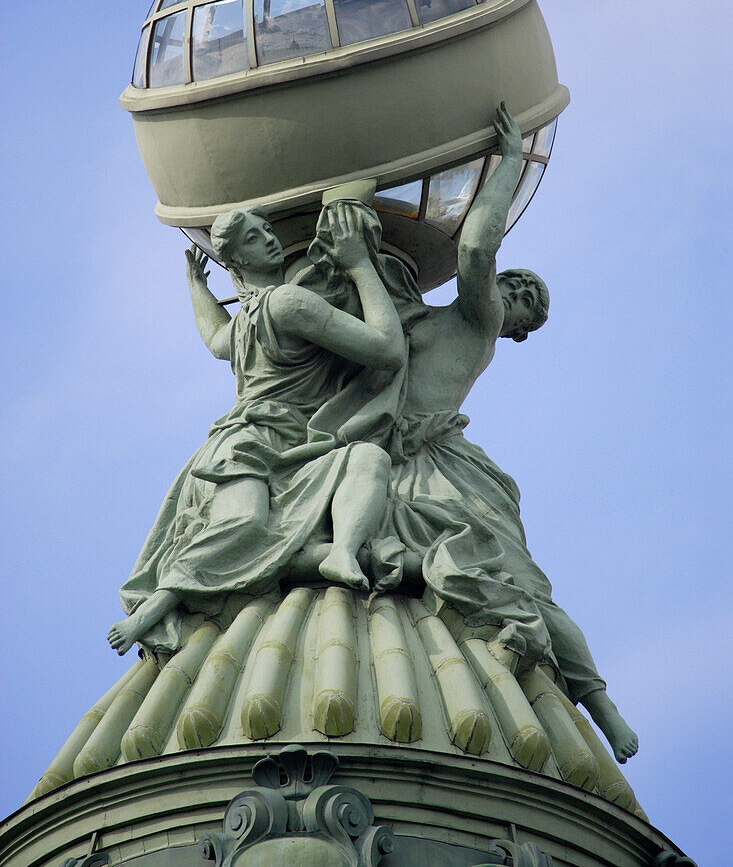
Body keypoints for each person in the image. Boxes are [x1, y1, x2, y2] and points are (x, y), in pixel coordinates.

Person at [387, 102, 639, 763]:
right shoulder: (418, 312)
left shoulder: (476, 319)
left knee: (522, 587)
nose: (518, 286)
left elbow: (473, 246)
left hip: (438, 470)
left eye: (528, 298)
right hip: (384, 453)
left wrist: (502, 167)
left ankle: (600, 707)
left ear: (517, 327)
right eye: (519, 283)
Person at [107, 201, 404, 656]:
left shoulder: (248, 319)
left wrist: (196, 287)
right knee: (245, 525)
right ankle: (155, 607)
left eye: (266, 227)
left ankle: (339, 551)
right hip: (249, 444)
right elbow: (387, 349)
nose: (268, 237)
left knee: (370, 459)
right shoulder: (286, 303)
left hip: (299, 447)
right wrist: (361, 264)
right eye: (252, 237)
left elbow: (213, 338)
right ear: (238, 261)